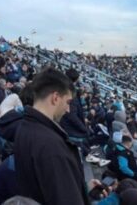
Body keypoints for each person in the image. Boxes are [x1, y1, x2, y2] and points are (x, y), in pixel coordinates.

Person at [14, 69, 88, 205]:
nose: (68, 110)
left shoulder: (25, 127)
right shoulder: (51, 145)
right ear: (55, 98)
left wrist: (83, 188)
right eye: (68, 102)